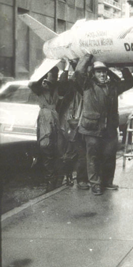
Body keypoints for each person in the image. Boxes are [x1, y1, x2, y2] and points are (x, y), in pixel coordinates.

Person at [74, 54, 133, 196]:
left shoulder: (113, 87)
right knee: (93, 157)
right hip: (92, 128)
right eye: (99, 71)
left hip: (109, 128)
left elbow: (130, 82)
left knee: (109, 155)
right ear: (93, 73)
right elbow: (78, 72)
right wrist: (88, 57)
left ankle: (107, 181)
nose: (102, 74)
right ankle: (95, 184)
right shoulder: (87, 85)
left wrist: (121, 69)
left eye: (104, 71)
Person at [28, 66, 67, 192]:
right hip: (45, 119)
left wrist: (65, 71)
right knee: (45, 146)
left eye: (55, 75)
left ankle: (58, 178)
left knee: (59, 149)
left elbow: (63, 86)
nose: (53, 77)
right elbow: (32, 84)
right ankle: (50, 179)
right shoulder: (41, 87)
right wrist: (43, 72)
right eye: (51, 74)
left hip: (57, 119)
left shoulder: (59, 87)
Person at [57, 60, 90, 190]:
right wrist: (66, 68)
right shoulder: (68, 90)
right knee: (68, 153)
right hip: (68, 126)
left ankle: (76, 178)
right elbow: (62, 85)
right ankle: (69, 175)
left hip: (77, 125)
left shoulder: (82, 90)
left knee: (77, 154)